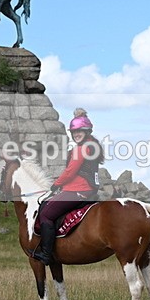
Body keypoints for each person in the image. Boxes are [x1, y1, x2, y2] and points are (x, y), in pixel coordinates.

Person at [33, 108, 105, 266]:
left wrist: (56, 185)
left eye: (80, 131)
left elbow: (70, 171)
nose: (76, 134)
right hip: (88, 190)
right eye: (74, 132)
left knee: (46, 214)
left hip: (77, 190)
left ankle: (46, 254)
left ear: (86, 131)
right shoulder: (92, 145)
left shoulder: (80, 148)